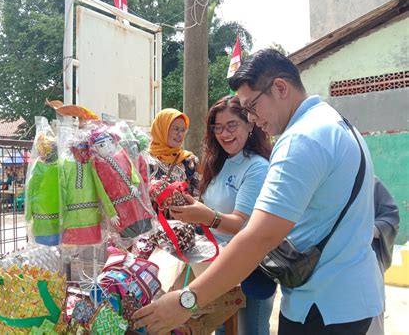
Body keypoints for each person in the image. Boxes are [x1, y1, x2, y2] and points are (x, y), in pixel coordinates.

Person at [133, 48, 384, 335]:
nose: (251, 119)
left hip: (324, 308)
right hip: (350, 298)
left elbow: (258, 236)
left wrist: (186, 301)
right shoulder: (332, 122)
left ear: (280, 88)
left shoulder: (301, 140)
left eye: (251, 107)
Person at [169, 96, 274, 335]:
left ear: (250, 124)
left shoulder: (257, 167)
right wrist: (190, 208)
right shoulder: (218, 162)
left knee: (251, 331)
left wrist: (204, 215)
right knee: (221, 328)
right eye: (218, 127)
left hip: (249, 268)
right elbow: (210, 208)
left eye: (231, 125)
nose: (224, 133)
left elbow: (244, 225)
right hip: (214, 264)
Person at [368, 177, 400, 335]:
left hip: (367, 262)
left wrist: (369, 230)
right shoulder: (320, 182)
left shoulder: (370, 182)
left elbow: (391, 217)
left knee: (370, 320)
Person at [149, 108, 200, 196]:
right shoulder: (146, 160)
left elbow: (198, 195)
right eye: (176, 129)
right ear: (161, 129)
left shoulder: (189, 161)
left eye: (183, 130)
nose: (180, 134)